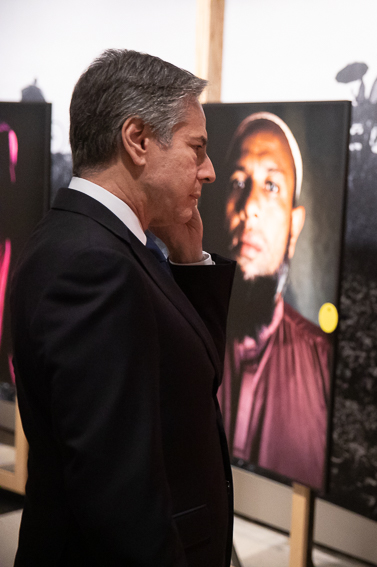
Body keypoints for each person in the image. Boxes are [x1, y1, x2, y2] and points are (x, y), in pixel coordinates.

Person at [10, 50, 235, 566]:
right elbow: (119, 497)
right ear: (137, 140)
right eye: (196, 148)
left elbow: (185, 386)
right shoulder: (93, 265)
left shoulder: (93, 241)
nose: (209, 171)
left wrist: (189, 261)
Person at [217, 112, 332, 490]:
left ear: (294, 228)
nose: (250, 205)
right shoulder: (174, 341)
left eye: (271, 186)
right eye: (238, 182)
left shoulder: (322, 366)